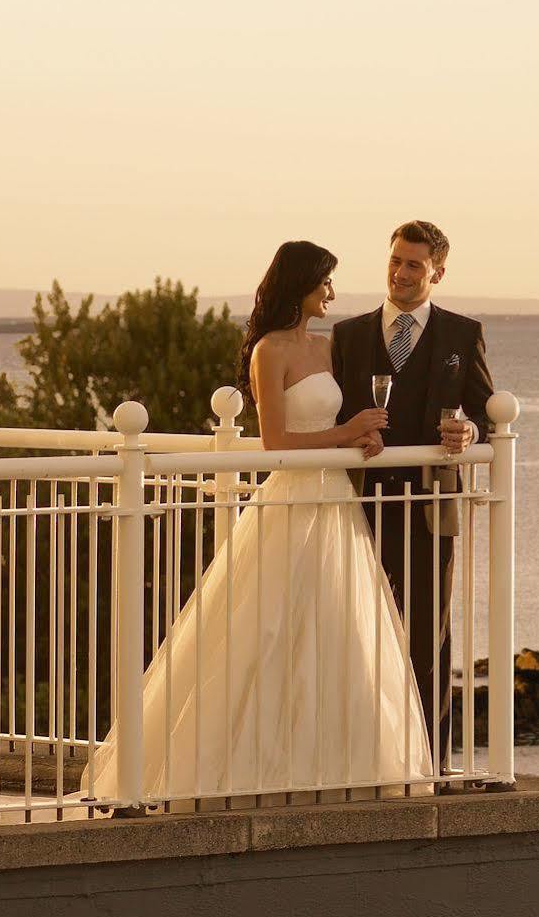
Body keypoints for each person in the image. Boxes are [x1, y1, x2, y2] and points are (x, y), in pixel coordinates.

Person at [86, 241, 432, 802]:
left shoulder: (328, 346)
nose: (333, 294)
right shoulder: (269, 352)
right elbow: (276, 443)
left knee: (339, 632)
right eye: (326, 284)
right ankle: (253, 773)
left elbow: (334, 420)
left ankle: (337, 768)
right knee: (268, 630)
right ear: (302, 285)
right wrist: (346, 433)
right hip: (292, 500)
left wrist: (360, 438)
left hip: (336, 503)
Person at [330, 220, 493, 772]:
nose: (401, 274)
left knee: (428, 637)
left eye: (414, 265)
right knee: (354, 631)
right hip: (356, 507)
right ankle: (362, 756)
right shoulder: (348, 335)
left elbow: (486, 416)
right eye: (395, 261)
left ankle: (430, 763)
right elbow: (332, 417)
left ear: (438, 273)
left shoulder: (462, 334)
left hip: (431, 509)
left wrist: (468, 433)